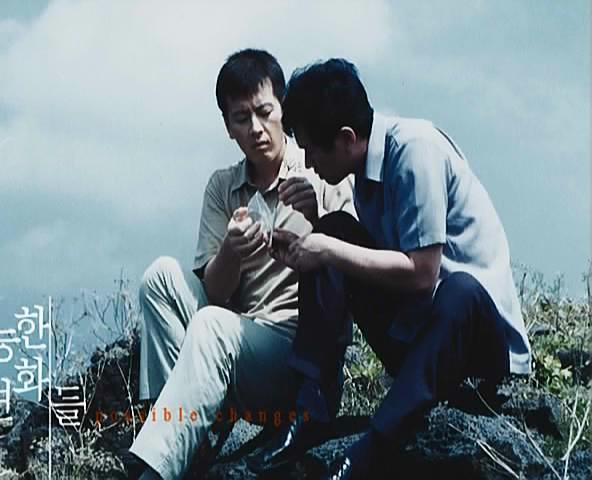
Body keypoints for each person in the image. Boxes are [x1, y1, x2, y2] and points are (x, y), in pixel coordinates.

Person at [247, 59, 532, 479]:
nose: (306, 162)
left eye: (312, 149)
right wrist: (318, 233)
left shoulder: (416, 151)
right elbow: (375, 262)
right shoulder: (364, 170)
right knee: (334, 228)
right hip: (423, 340)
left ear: (346, 138)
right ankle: (311, 410)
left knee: (459, 290)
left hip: (479, 351)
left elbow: (422, 274)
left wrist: (330, 250)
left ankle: (372, 449)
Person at [128, 49, 354, 480]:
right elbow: (214, 294)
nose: (255, 128)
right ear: (228, 126)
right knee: (160, 277)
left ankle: (157, 467)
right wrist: (232, 250)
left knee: (213, 325)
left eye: (264, 112)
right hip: (238, 340)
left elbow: (353, 266)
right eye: (241, 118)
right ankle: (188, 436)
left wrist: (318, 220)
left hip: (294, 351)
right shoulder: (223, 187)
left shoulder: (319, 168)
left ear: (283, 109)